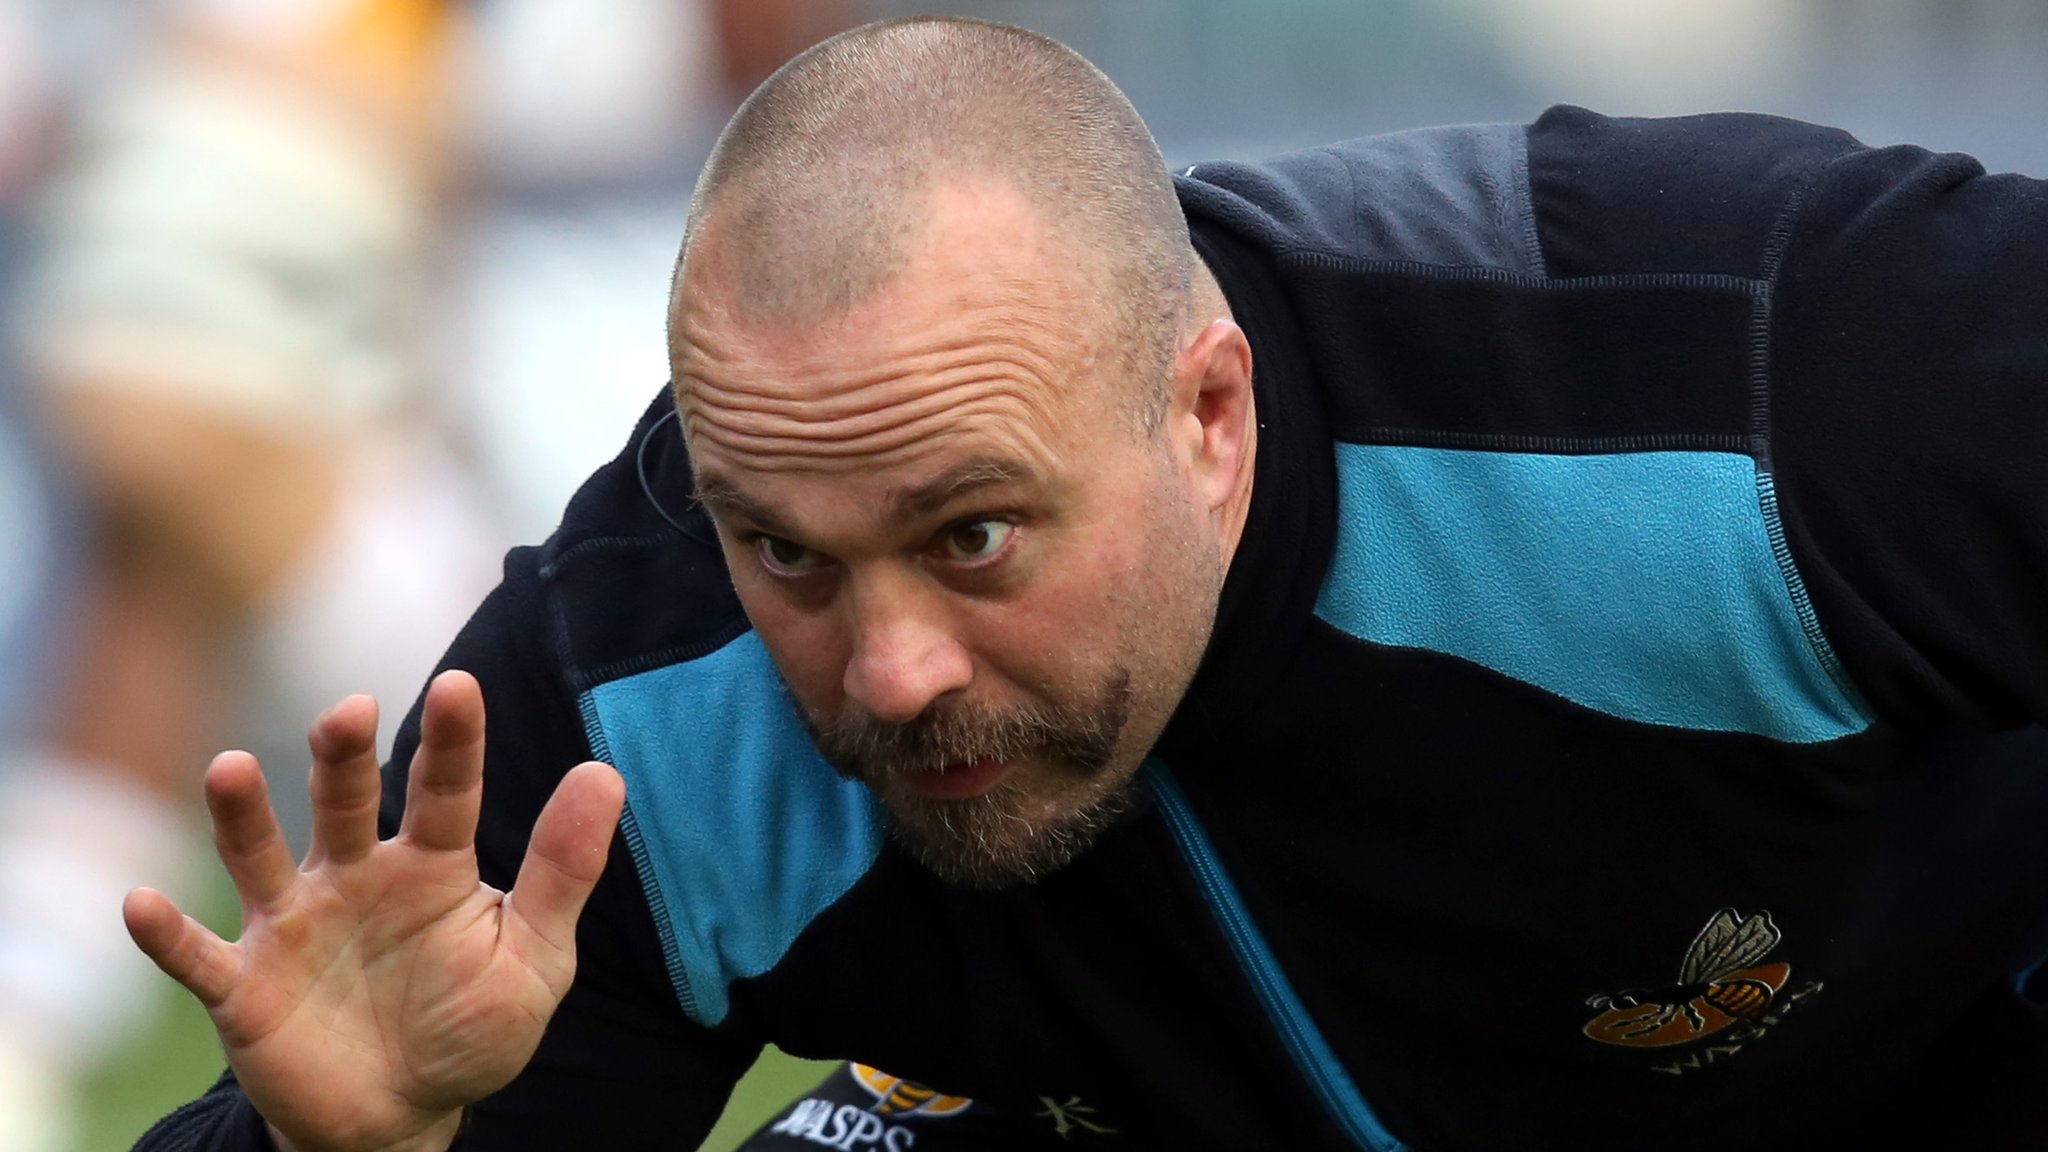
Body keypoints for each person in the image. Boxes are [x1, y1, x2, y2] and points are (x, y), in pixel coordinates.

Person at [123, 14, 2048, 1151]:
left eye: (972, 536)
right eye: (786, 551)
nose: (886, 670)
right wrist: (337, 1151)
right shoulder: (639, 708)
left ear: (1209, 414)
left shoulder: (1717, 361)